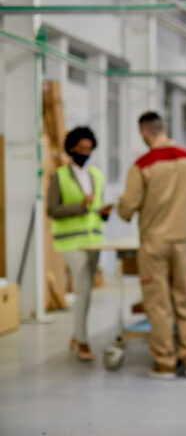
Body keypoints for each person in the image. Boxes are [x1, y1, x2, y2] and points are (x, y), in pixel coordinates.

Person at [118, 112, 186, 379]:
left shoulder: (142, 164)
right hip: (184, 242)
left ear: (144, 133)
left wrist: (119, 209)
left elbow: (127, 207)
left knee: (158, 305)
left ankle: (165, 364)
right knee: (185, 300)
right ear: (165, 128)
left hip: (153, 243)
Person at [48, 126, 113, 361]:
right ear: (71, 148)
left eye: (89, 149)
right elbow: (52, 209)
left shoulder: (96, 175)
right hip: (70, 242)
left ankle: (77, 336)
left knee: (87, 292)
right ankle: (82, 341)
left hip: (93, 240)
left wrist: (104, 213)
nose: (85, 152)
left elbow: (94, 211)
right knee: (83, 289)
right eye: (81, 148)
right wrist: (79, 207)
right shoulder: (60, 175)